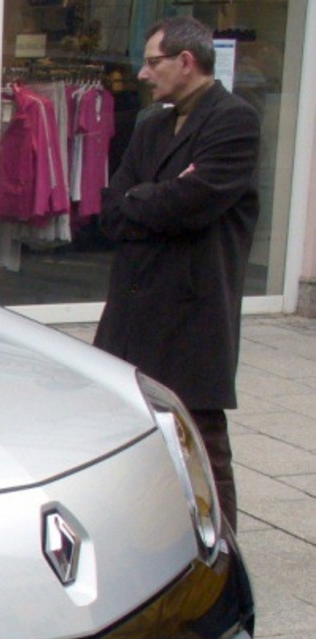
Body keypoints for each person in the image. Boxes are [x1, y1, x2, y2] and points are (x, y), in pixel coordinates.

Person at [92, 16, 259, 531]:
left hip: (192, 306)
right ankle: (148, 530)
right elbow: (112, 209)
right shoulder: (153, 124)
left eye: (153, 61)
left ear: (187, 61)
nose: (142, 74)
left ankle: (220, 542)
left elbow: (193, 203)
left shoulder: (234, 120)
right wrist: (154, 198)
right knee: (128, 425)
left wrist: (150, 198)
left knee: (199, 433)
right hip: (133, 303)